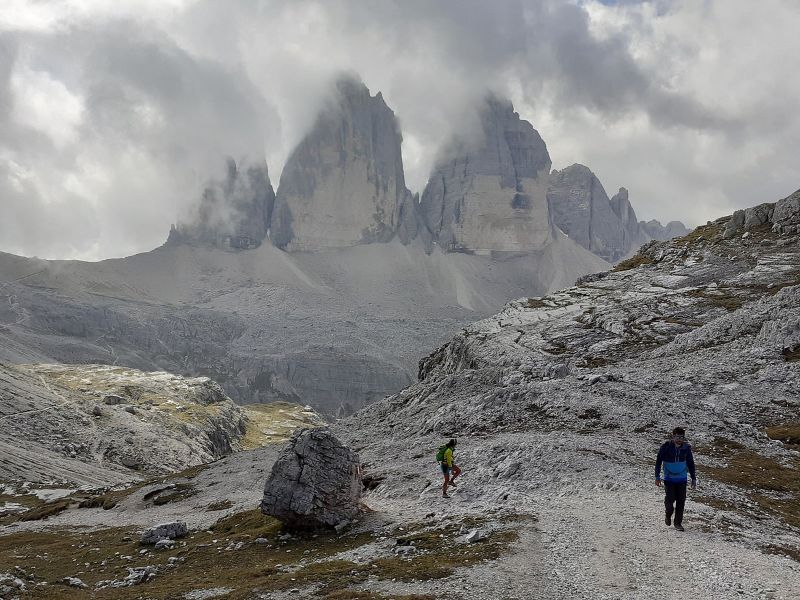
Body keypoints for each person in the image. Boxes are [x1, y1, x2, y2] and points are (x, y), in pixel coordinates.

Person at [655, 427, 697, 531]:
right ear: (673, 436)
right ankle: (668, 514)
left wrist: (693, 478)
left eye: (682, 437)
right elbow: (658, 461)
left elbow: (691, 463)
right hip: (669, 479)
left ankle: (678, 523)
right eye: (677, 436)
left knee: (681, 501)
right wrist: (657, 476)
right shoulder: (666, 447)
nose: (680, 439)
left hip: (682, 479)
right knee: (670, 499)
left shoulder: (686, 448)